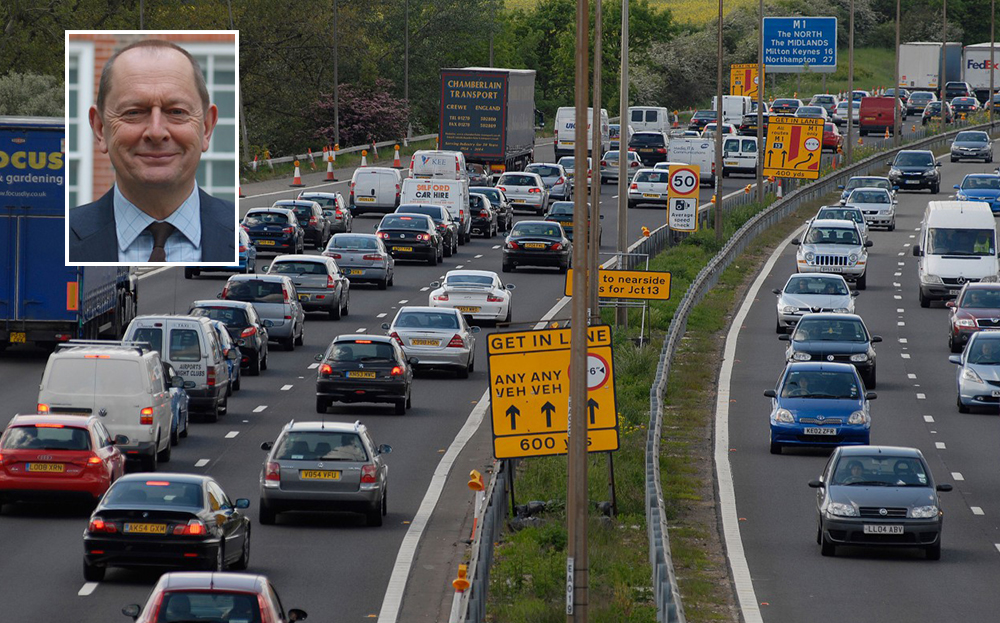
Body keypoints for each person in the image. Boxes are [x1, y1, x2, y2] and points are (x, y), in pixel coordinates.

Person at [69, 39, 235, 263]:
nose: (156, 132)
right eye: (134, 112)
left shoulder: (243, 231)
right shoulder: (59, 239)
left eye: (176, 111)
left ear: (206, 127)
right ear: (100, 129)